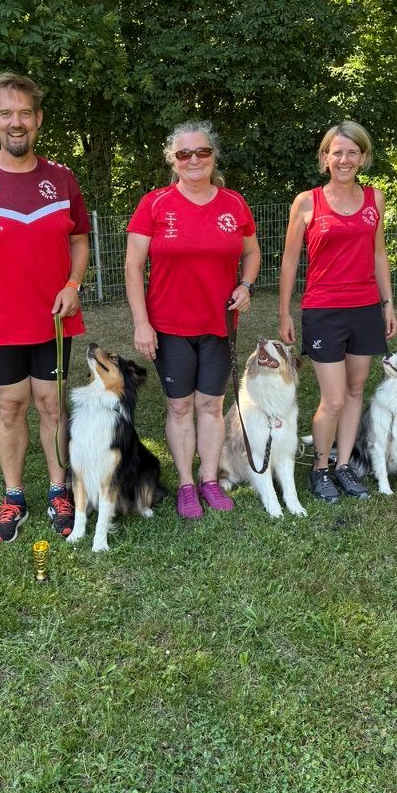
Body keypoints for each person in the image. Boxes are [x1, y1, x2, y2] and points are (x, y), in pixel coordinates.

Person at [0, 73, 90, 542]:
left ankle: (58, 489)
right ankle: (14, 497)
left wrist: (73, 282)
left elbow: (80, 239)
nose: (16, 122)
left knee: (50, 405)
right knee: (11, 406)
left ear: (38, 118)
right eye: (6, 113)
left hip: (52, 318)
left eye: (24, 112)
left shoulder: (61, 178)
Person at [125, 120, 261, 519]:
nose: (194, 159)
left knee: (211, 405)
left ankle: (209, 480)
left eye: (202, 151)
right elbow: (133, 267)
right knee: (181, 408)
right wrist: (141, 323)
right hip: (168, 327)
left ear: (213, 155)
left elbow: (251, 253)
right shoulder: (154, 204)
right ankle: (186, 484)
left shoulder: (233, 204)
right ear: (174, 160)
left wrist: (247, 285)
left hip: (219, 324)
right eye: (184, 154)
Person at [279, 120, 397, 503]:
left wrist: (387, 303)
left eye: (352, 152)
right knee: (332, 398)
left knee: (355, 389)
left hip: (364, 308)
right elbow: (290, 261)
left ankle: (344, 465)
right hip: (323, 310)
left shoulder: (375, 199)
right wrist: (284, 312)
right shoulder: (307, 202)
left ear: (363, 157)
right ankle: (320, 469)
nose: (344, 159)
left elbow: (379, 253)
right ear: (325, 157)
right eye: (337, 152)